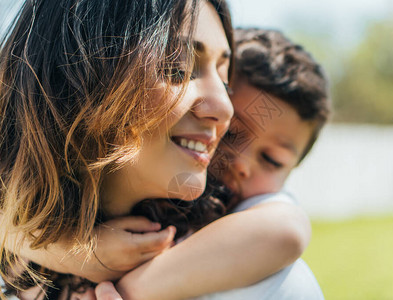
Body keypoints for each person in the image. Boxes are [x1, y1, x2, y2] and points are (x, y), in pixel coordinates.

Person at [0, 0, 234, 298]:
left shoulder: (249, 272)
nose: (225, 108)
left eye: (226, 83)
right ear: (78, 75)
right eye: (177, 68)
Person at [96, 28, 330, 300]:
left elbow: (286, 231)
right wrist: (68, 255)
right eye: (230, 134)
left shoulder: (258, 210)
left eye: (271, 160)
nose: (240, 163)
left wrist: (133, 290)